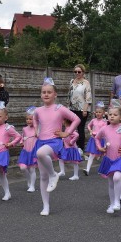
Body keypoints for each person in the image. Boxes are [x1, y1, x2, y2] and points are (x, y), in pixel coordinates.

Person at [33, 77, 80, 216]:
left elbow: (76, 119)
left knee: (40, 153)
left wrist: (67, 133)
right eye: (43, 92)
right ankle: (46, 206)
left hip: (54, 142)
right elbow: (35, 120)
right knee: (42, 176)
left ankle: (54, 174)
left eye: (49, 92)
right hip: (41, 141)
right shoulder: (38, 110)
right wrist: (36, 130)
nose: (46, 94)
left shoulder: (60, 108)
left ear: (55, 94)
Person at [67, 64, 92, 151]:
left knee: (80, 128)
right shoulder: (72, 81)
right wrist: (68, 107)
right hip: (72, 108)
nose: (77, 73)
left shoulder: (86, 83)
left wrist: (85, 110)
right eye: (75, 72)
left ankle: (81, 148)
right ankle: (71, 146)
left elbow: (88, 97)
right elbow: (69, 95)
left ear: (83, 72)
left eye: (79, 72)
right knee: (71, 128)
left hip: (82, 109)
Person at [83, 102, 107, 176]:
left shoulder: (104, 122)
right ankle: (87, 170)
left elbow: (105, 130)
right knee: (91, 154)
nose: (98, 113)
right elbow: (89, 126)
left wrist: (99, 134)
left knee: (104, 155)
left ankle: (104, 169)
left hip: (101, 140)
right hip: (93, 139)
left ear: (103, 113)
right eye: (97, 112)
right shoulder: (93, 120)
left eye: (100, 112)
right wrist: (90, 130)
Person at [18, 106, 38, 192]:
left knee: (32, 169)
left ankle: (32, 186)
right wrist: (21, 141)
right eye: (27, 119)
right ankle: (28, 179)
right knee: (23, 168)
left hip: (33, 151)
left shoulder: (37, 129)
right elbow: (23, 137)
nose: (28, 121)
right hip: (25, 151)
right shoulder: (24, 129)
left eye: (30, 119)